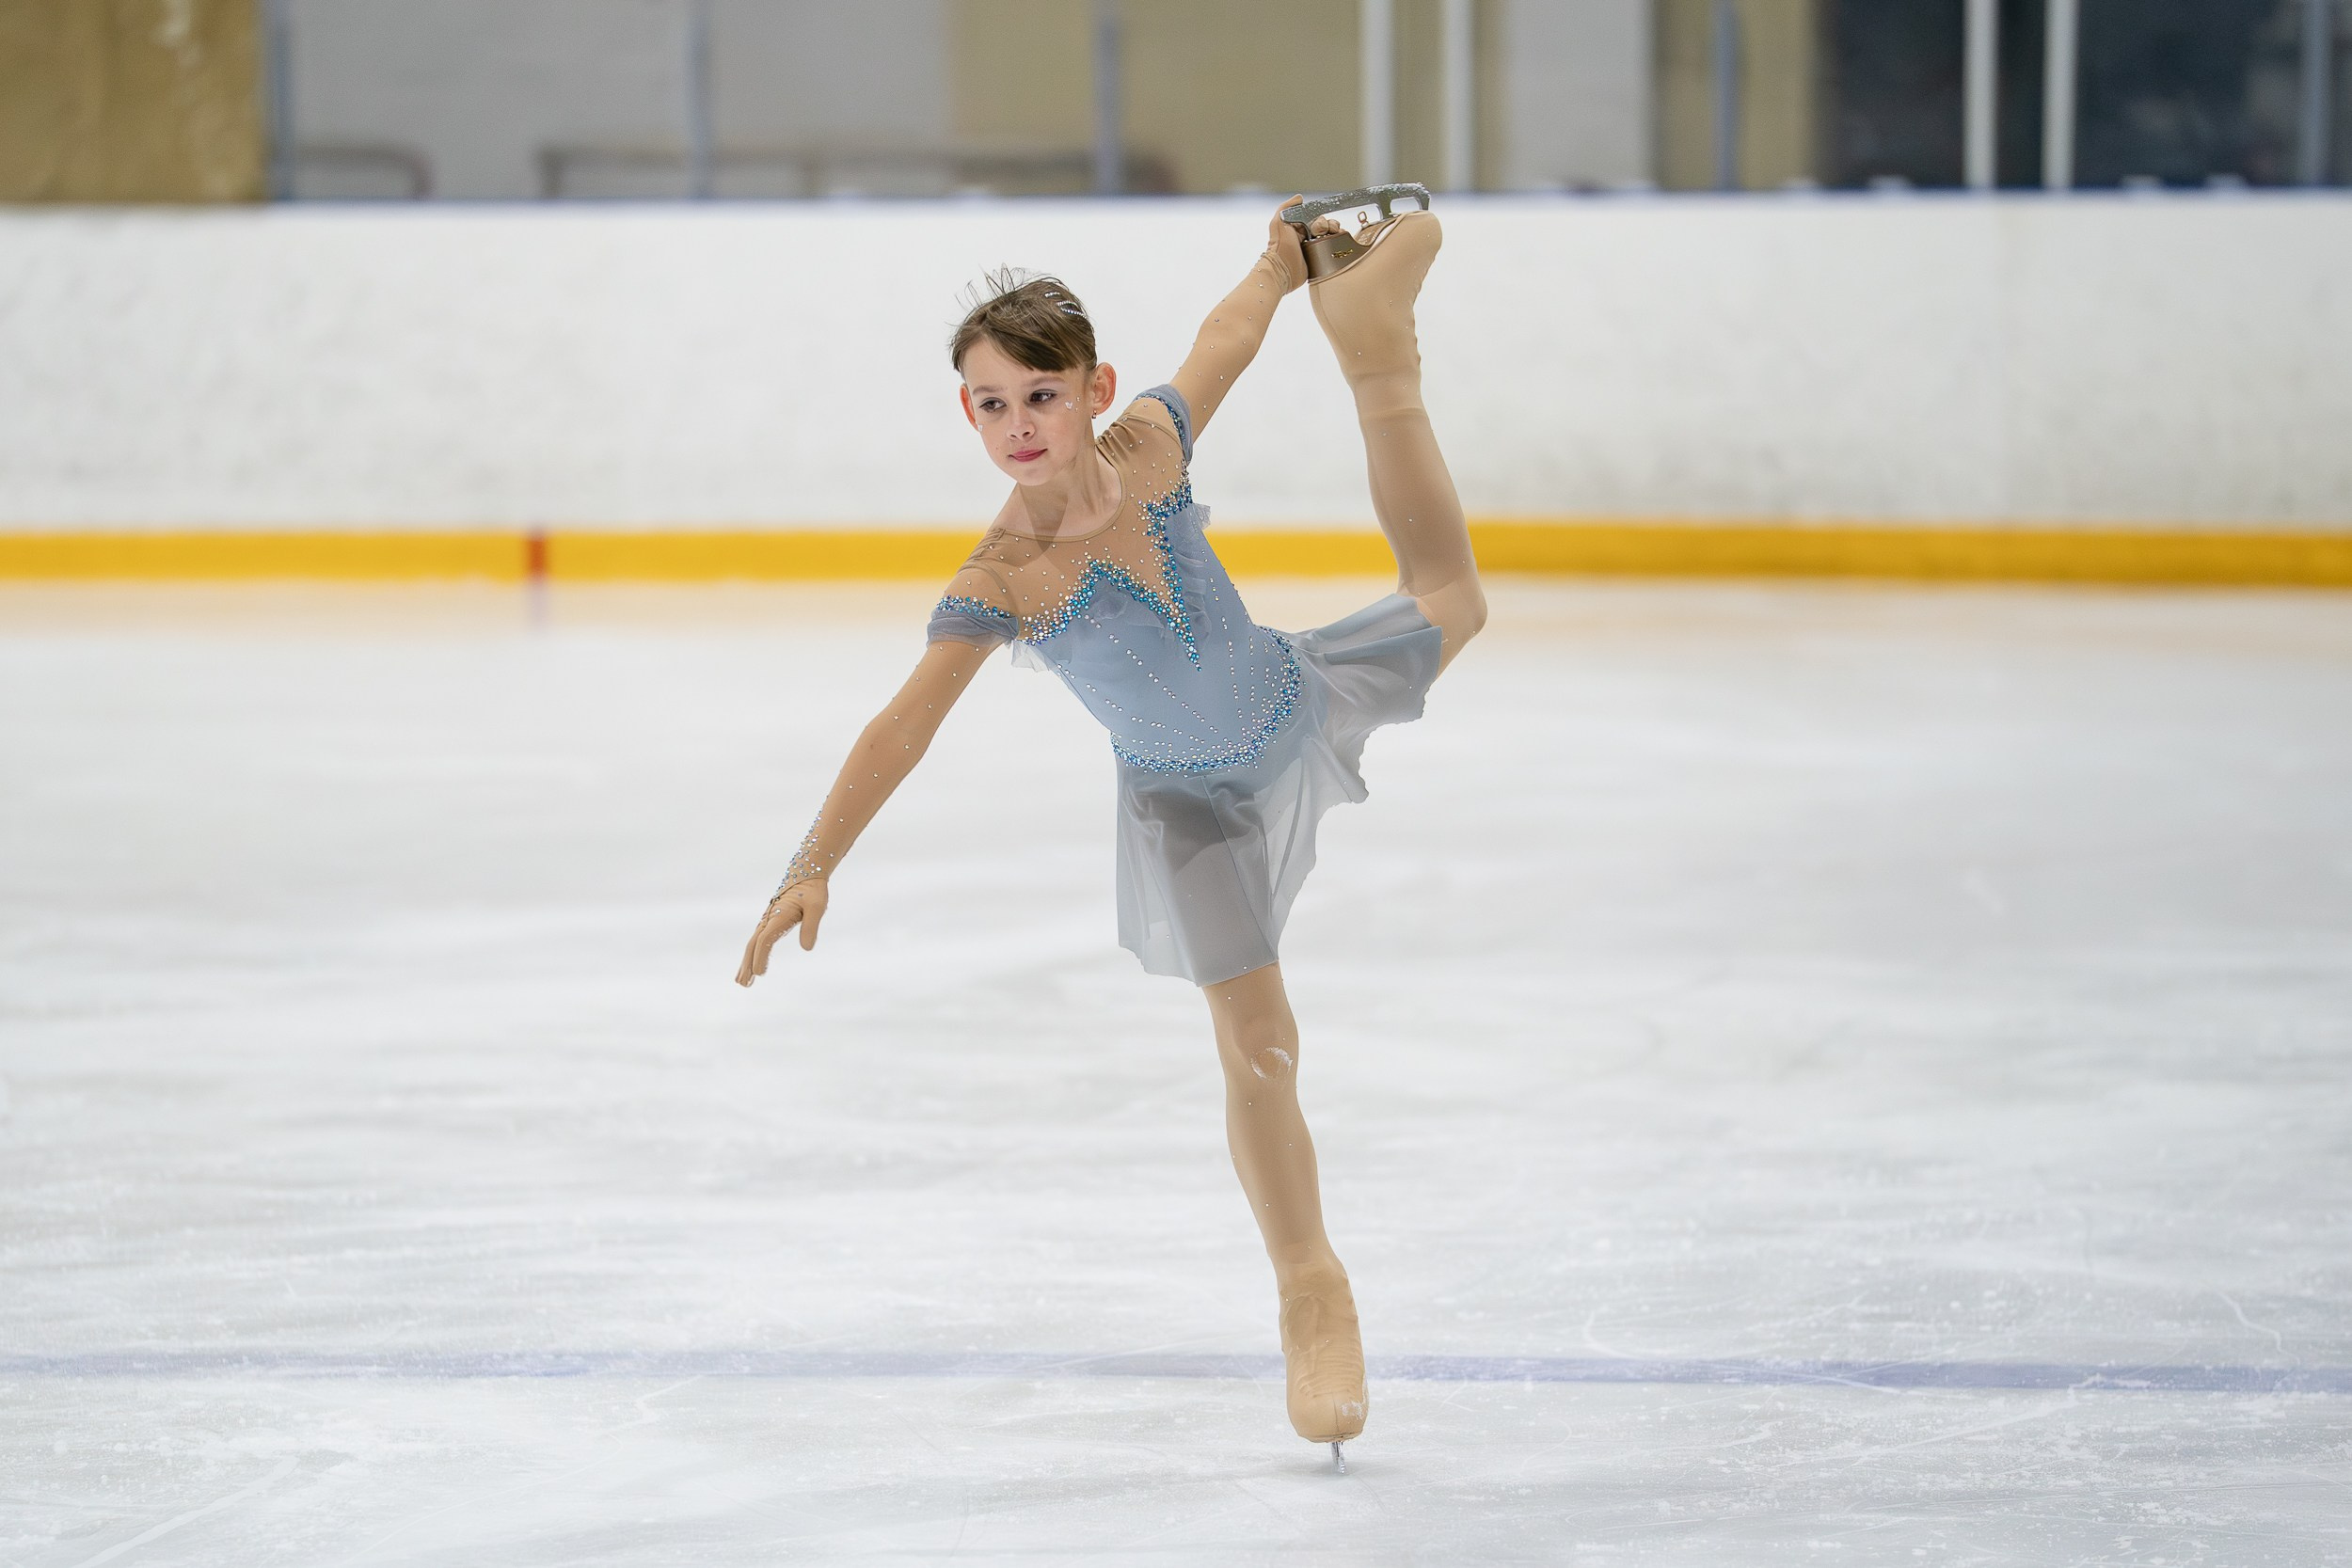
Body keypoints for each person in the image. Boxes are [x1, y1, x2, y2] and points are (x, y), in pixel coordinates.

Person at [738, 190, 1485, 1466]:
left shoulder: (1150, 447)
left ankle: (1378, 347)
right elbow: (901, 726)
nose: (1018, 426)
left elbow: (1227, 343)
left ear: (1093, 390)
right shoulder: (1002, 579)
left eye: (1039, 395)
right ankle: (1312, 1289)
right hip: (1187, 805)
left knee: (1455, 598)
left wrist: (1279, 266)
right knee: (1259, 1051)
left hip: (1291, 701)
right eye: (990, 404)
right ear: (966, 415)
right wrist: (813, 862)